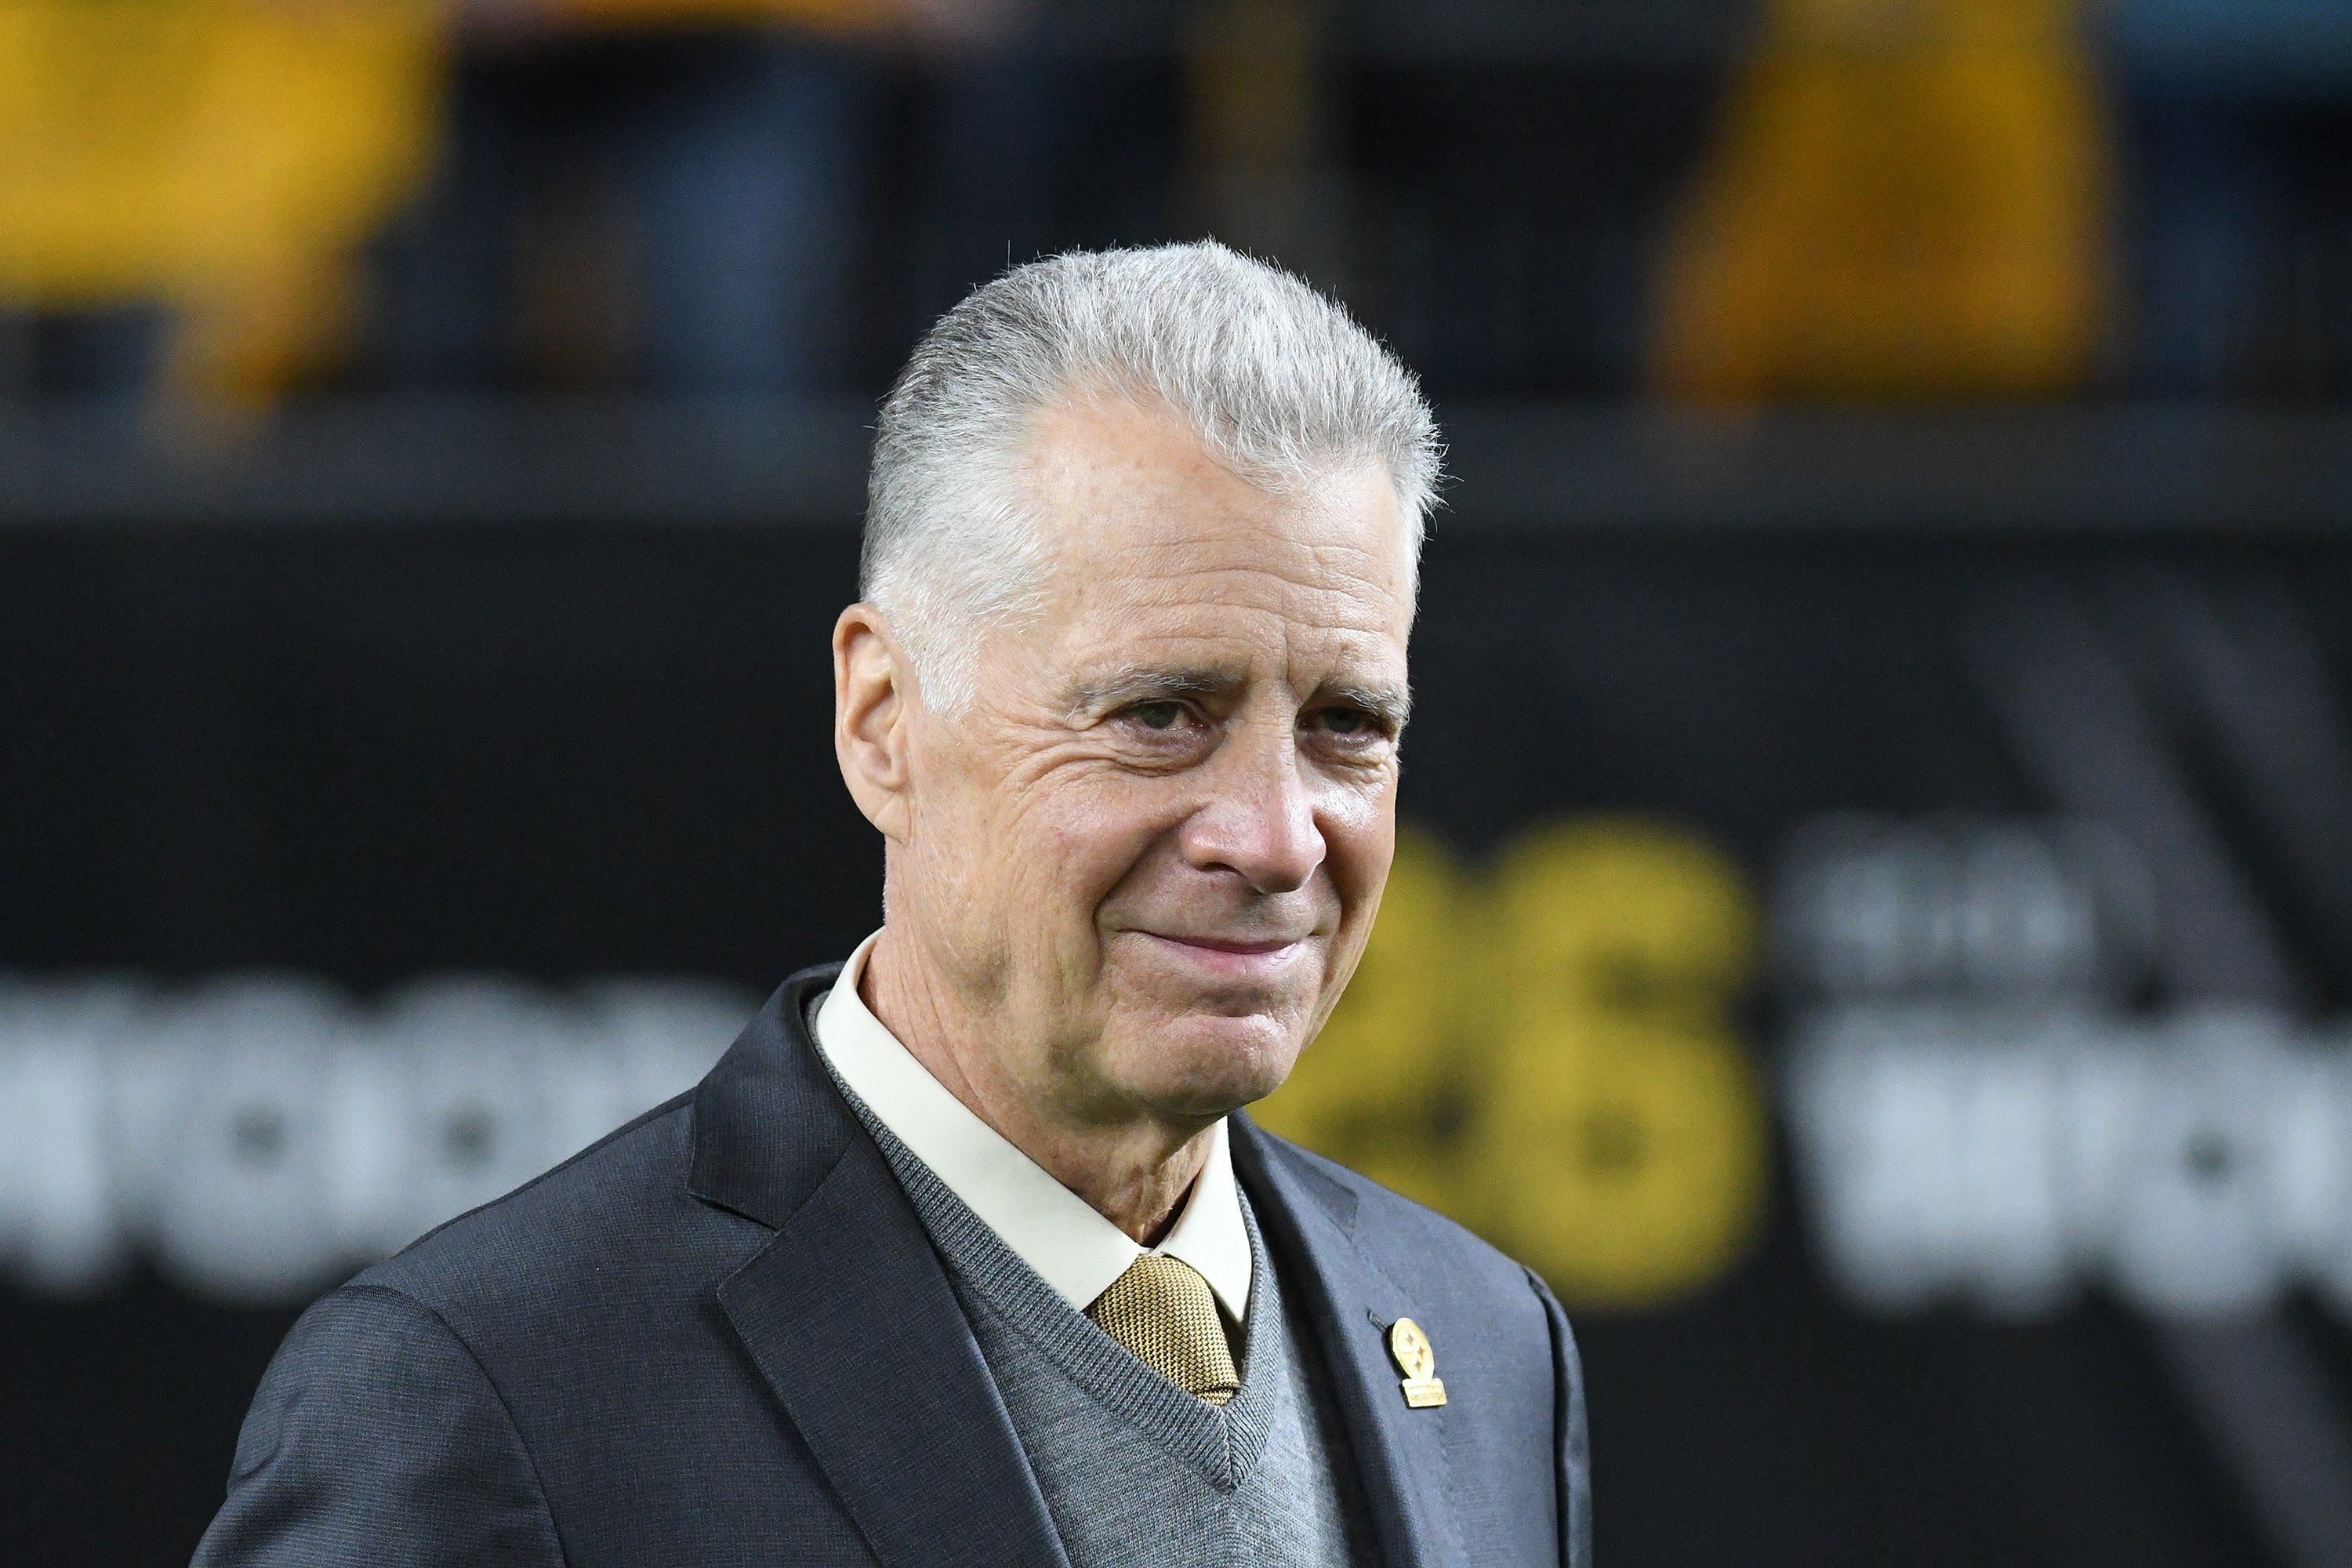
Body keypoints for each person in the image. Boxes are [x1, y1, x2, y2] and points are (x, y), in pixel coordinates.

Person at [191, 242, 1592, 1567]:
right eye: (1162, 714)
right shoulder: (486, 1393)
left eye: (1349, 725)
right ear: (882, 722)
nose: (1279, 837)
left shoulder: (1487, 1348)